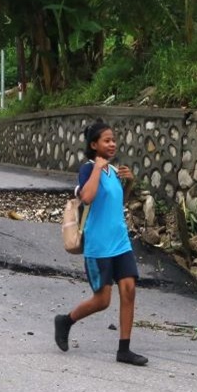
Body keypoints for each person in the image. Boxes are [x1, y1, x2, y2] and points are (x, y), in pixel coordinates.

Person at [54, 120, 148, 366]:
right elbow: (87, 196)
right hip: (98, 245)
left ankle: (124, 350)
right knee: (102, 300)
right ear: (94, 145)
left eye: (114, 140)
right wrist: (97, 168)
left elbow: (118, 202)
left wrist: (129, 182)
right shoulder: (88, 169)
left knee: (129, 290)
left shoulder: (114, 171)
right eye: (107, 140)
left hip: (120, 242)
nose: (112, 144)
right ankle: (66, 320)